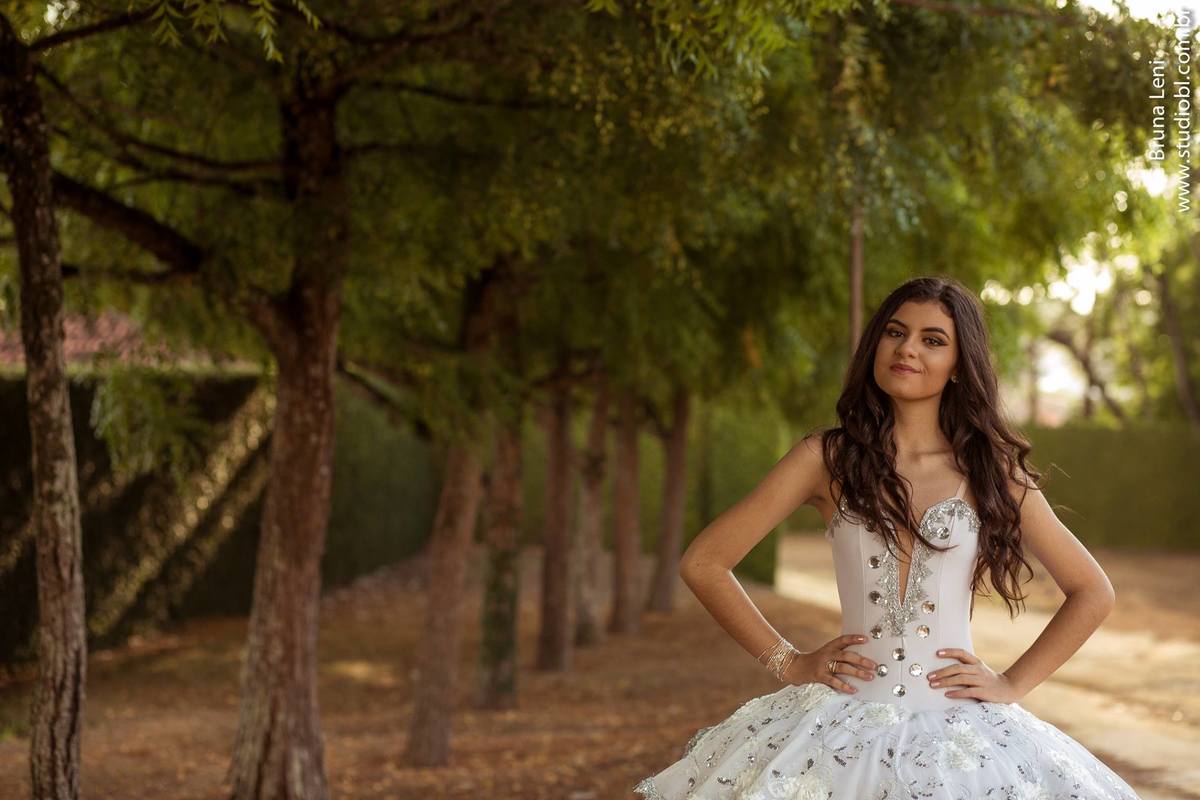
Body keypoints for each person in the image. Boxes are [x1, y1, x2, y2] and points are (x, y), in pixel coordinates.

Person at [632, 277, 1141, 799]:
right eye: (895, 332)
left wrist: (1012, 684)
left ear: (960, 364)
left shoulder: (991, 471)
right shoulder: (826, 459)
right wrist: (789, 661)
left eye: (932, 340)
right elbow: (705, 562)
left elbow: (1092, 592)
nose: (907, 348)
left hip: (960, 737)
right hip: (834, 731)